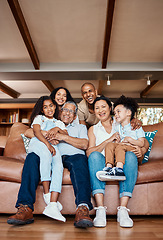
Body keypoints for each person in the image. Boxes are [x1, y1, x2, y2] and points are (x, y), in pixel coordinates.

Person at [7, 101, 93, 228]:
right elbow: (29, 132)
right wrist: (47, 133)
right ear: (60, 111)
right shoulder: (49, 121)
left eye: (71, 112)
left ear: (75, 116)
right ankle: (25, 208)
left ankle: (82, 208)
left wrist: (60, 136)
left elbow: (84, 144)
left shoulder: (80, 127)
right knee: (31, 158)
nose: (68, 113)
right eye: (65, 110)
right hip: (50, 154)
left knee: (80, 162)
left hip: (72, 156)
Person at [87, 96, 149, 228]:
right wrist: (108, 140)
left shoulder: (121, 122)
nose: (100, 110)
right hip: (103, 163)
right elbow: (89, 152)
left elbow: (144, 141)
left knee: (131, 156)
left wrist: (142, 150)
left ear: (111, 108)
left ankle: (123, 210)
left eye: (104, 107)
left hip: (123, 159)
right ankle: (100, 210)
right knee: (94, 156)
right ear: (94, 112)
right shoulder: (93, 129)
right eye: (97, 108)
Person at [28, 96, 67, 222]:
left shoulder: (59, 122)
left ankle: (53, 204)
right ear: (42, 110)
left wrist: (57, 129)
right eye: (45, 107)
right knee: (46, 155)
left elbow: (65, 135)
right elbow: (37, 133)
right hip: (38, 143)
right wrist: (48, 144)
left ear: (55, 106)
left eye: (51, 105)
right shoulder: (39, 118)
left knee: (58, 164)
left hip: (53, 146)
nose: (49, 109)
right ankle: (46, 194)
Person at [97, 95, 145, 181]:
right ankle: (109, 167)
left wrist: (129, 139)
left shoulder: (136, 127)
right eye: (115, 113)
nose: (116, 115)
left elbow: (142, 143)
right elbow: (117, 142)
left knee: (120, 146)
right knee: (110, 145)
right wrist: (117, 142)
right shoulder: (117, 127)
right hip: (122, 147)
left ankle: (119, 169)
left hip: (132, 148)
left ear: (128, 113)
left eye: (118, 111)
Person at [77, 82, 142, 129]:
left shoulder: (104, 102)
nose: (88, 94)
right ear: (82, 96)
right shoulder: (81, 108)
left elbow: (122, 112)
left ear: (96, 92)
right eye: (85, 93)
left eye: (90, 91)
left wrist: (133, 119)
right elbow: (83, 128)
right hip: (91, 128)